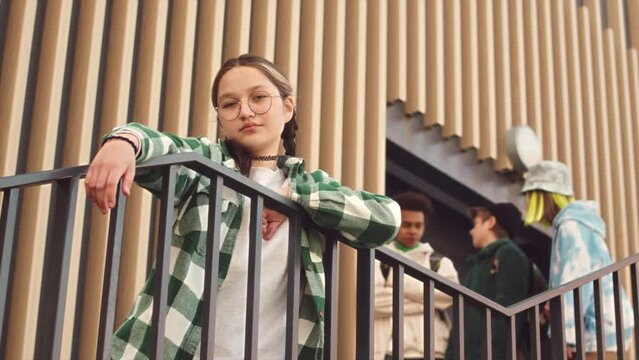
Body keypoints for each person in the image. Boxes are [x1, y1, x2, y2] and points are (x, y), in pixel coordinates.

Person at [84, 54, 401, 359]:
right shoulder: (208, 166)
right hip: (176, 349)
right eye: (230, 104)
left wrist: (296, 196)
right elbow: (164, 147)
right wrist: (125, 141)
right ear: (221, 120)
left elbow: (386, 218)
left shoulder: (312, 187)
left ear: (287, 108)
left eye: (259, 98)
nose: (246, 112)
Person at [521, 160, 634, 360]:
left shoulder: (571, 227)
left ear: (543, 196)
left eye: (530, 197)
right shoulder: (580, 225)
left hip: (595, 330)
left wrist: (565, 336)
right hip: (605, 327)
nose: (528, 204)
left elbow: (574, 282)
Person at [374, 192, 459, 360]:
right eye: (407, 224)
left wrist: (398, 287)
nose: (413, 231)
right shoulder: (378, 258)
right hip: (388, 351)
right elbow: (374, 303)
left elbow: (448, 297)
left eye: (418, 225)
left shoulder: (440, 262)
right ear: (396, 223)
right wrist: (431, 302)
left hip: (434, 352)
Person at [444, 203, 530, 360]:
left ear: (490, 222)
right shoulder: (477, 263)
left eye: (476, 224)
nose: (471, 231)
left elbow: (510, 310)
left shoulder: (509, 253)